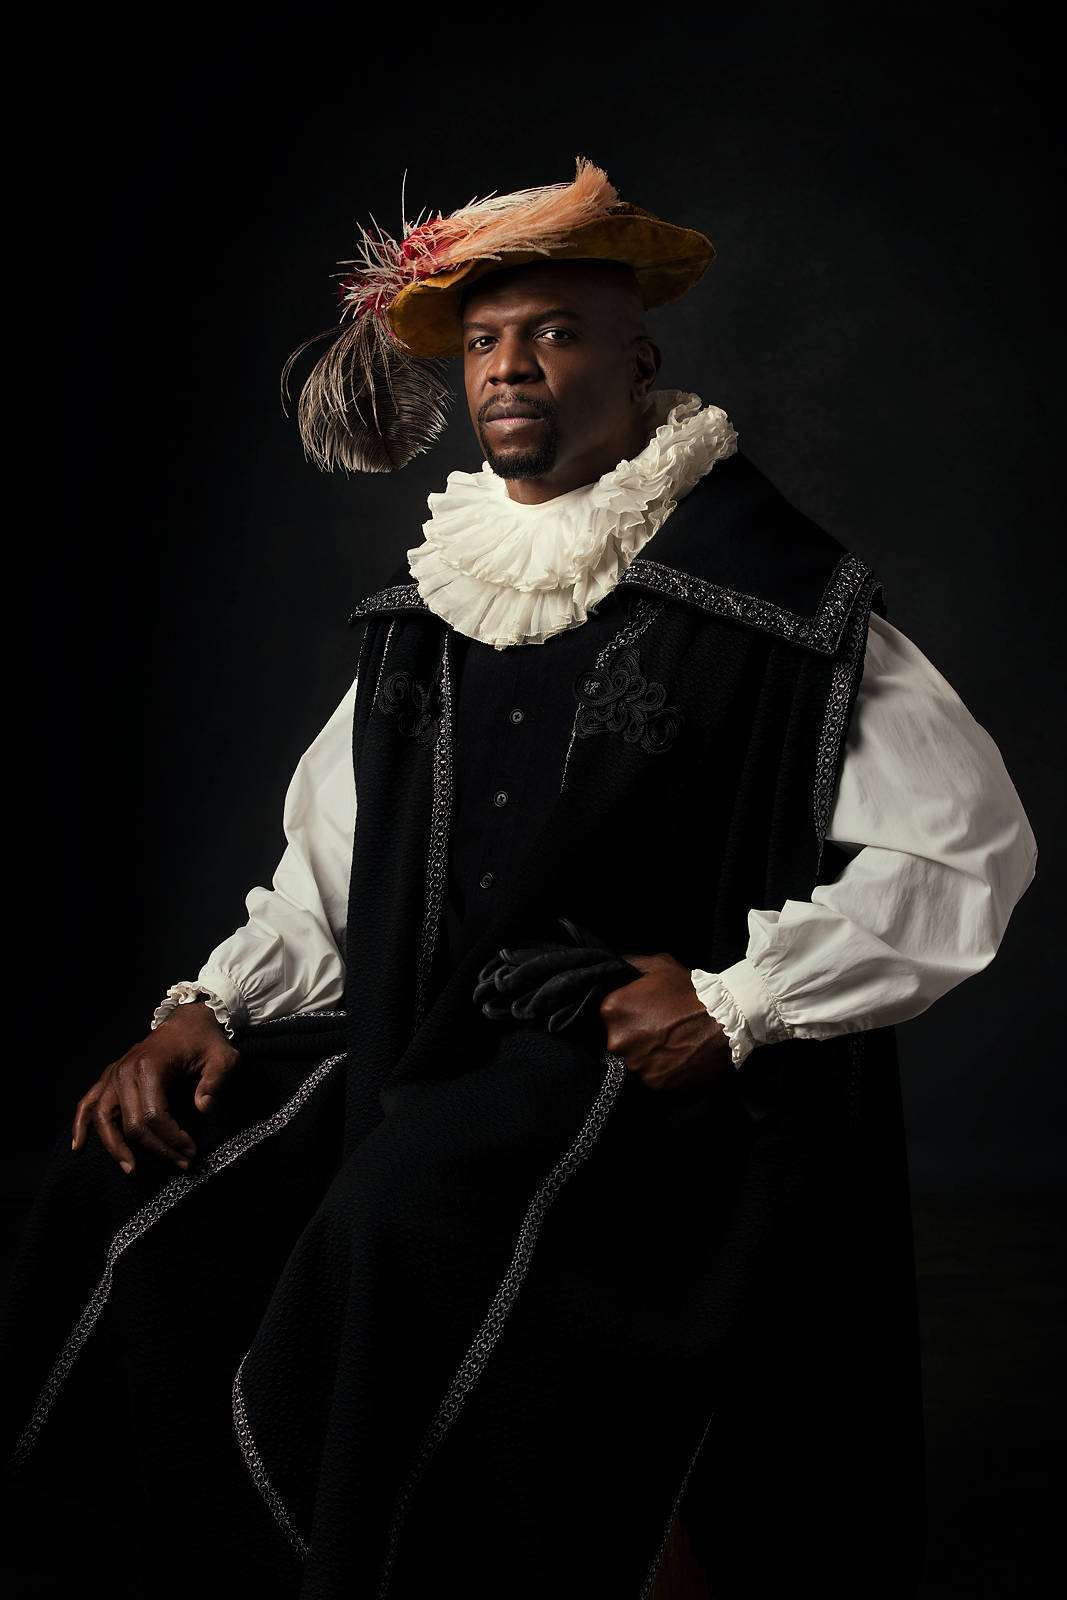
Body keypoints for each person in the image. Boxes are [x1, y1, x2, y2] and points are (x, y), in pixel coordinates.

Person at [3, 161, 1036, 1598]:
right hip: (417, 1031)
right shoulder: (442, 594)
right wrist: (209, 1007)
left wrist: (737, 1002)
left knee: (398, 1218)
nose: (509, 367)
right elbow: (334, 865)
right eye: (486, 340)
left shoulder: (774, 595)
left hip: (639, 1067)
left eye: (553, 332)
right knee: (128, 1190)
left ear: (638, 360)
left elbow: (969, 843)